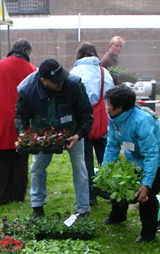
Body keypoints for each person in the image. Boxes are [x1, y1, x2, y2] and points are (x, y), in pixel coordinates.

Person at [15, 59, 94, 217]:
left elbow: (86, 115)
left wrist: (78, 135)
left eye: (62, 78)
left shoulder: (73, 84)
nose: (61, 83)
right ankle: (37, 206)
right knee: (37, 168)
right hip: (43, 132)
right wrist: (23, 132)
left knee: (80, 168)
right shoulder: (27, 89)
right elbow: (20, 115)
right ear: (43, 80)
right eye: (56, 82)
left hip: (72, 130)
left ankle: (83, 208)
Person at [100, 85, 160, 243]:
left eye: (108, 104)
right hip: (135, 153)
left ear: (119, 108)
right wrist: (105, 171)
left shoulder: (141, 121)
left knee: (147, 196)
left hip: (157, 154)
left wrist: (146, 185)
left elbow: (151, 155)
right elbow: (112, 145)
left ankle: (148, 234)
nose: (106, 107)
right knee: (119, 184)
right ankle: (117, 216)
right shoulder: (114, 118)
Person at [0, 39, 37, 205]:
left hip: (0, 118)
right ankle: (18, 194)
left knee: (0, 157)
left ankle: (0, 195)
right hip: (23, 119)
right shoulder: (32, 70)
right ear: (28, 52)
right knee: (20, 158)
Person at [70, 42, 115, 206]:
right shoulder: (104, 72)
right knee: (106, 158)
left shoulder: (74, 73)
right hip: (103, 122)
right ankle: (111, 192)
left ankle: (90, 196)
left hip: (83, 123)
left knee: (85, 160)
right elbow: (110, 96)